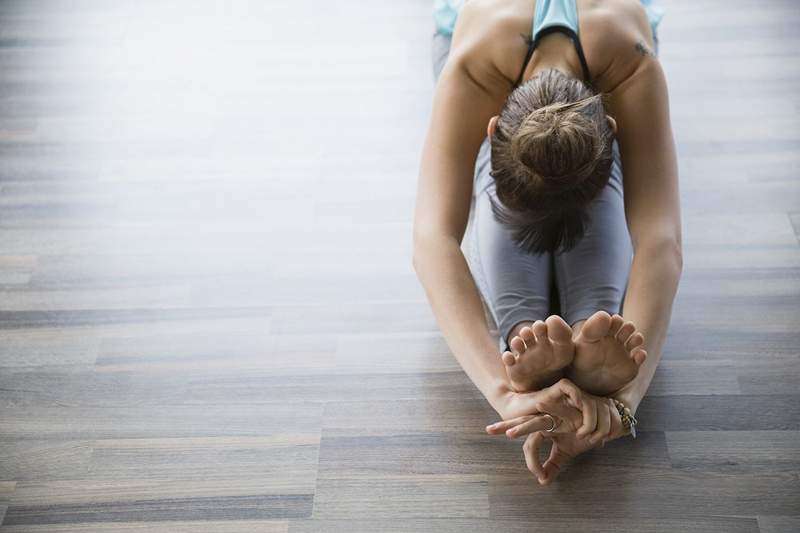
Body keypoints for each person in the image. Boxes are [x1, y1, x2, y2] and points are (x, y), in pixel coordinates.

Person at [412, 0, 682, 485]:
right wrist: (505, 394)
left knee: (573, 166)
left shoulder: (632, 61)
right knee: (531, 170)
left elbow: (660, 238)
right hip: (495, 64)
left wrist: (625, 403)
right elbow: (433, 240)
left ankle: (543, 334)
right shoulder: (473, 65)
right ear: (491, 127)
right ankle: (564, 330)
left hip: (604, 68)